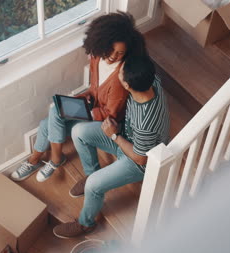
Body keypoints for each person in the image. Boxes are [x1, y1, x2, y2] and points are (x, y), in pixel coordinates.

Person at [11, 12, 146, 182]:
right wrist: (85, 97)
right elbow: (95, 88)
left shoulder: (121, 77)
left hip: (105, 122)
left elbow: (111, 114)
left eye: (120, 53)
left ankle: (54, 160)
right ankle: (36, 159)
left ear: (126, 53)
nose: (113, 56)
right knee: (47, 121)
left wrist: (83, 112)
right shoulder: (98, 57)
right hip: (92, 108)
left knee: (55, 115)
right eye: (110, 49)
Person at [52, 55, 170, 238]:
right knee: (79, 132)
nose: (118, 72)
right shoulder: (151, 80)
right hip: (126, 136)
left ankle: (86, 224)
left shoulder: (146, 123)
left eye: (120, 73)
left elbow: (141, 158)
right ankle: (93, 174)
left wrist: (113, 135)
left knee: (93, 186)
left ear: (127, 85)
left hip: (137, 160)